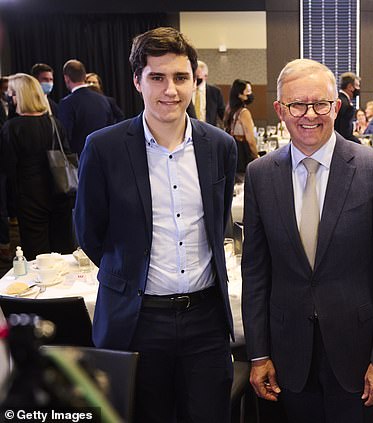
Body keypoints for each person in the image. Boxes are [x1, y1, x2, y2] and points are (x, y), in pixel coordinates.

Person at [74, 27, 237, 421]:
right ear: (137, 81)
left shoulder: (220, 146)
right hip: (137, 319)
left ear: (194, 79)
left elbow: (220, 223)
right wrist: (130, 273)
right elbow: (89, 233)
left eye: (181, 77)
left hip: (206, 321)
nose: (171, 90)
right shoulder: (104, 147)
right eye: (157, 77)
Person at [242, 58, 373, 423]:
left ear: (336, 106)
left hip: (360, 358)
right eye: (297, 105)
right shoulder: (260, 175)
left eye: (320, 103)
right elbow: (256, 273)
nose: (309, 114)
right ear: (280, 110)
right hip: (288, 355)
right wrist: (258, 354)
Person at [0, 74, 74, 260]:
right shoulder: (54, 123)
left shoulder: (12, 128)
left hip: (29, 198)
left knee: (37, 255)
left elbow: (8, 168)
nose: (10, 98)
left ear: (20, 96)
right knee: (63, 250)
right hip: (60, 191)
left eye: (12, 94)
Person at [58, 59, 114, 155]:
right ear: (84, 76)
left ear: (66, 78)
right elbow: (110, 127)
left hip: (80, 159)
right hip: (104, 155)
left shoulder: (67, 103)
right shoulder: (103, 100)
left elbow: (65, 136)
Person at [224, 79, 258, 173]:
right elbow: (250, 140)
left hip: (232, 151)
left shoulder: (229, 109)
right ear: (240, 95)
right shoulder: (244, 113)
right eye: (248, 91)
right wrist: (256, 156)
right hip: (243, 153)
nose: (250, 94)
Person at [188, 60, 225, 127]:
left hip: (208, 129)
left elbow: (222, 113)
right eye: (193, 76)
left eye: (198, 77)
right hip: (189, 128)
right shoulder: (187, 90)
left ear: (205, 76)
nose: (195, 80)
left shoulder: (215, 92)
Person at [334, 71, 361, 143]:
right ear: (350, 87)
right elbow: (346, 134)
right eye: (357, 86)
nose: (359, 89)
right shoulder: (347, 106)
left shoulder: (336, 99)